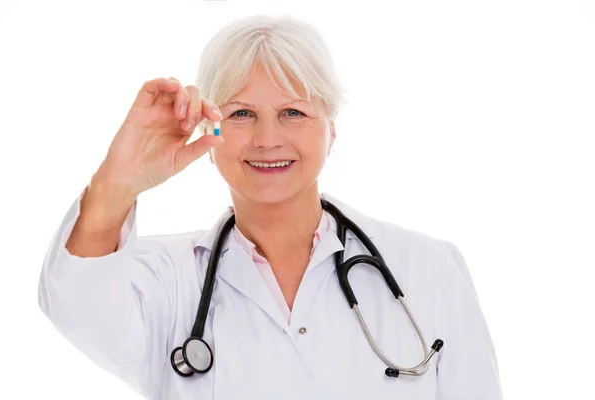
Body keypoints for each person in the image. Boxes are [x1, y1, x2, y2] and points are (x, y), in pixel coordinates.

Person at [37, 14, 502, 400]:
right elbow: (76, 303)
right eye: (240, 113)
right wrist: (118, 183)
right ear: (209, 131)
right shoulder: (169, 282)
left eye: (293, 112)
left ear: (331, 129)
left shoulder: (429, 270)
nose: (267, 139)